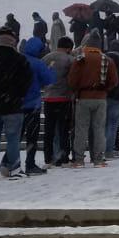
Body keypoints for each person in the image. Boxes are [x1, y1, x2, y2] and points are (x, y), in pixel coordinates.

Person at [0, 33, 33, 180]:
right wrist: (19, 94)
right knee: (13, 138)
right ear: (12, 44)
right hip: (13, 105)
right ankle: (14, 168)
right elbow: (27, 80)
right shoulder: (20, 59)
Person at [68, 31, 118, 168]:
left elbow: (72, 80)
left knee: (81, 129)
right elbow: (114, 81)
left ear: (88, 44)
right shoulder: (107, 59)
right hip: (101, 98)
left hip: (83, 97)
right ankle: (98, 159)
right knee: (99, 129)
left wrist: (78, 88)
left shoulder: (80, 58)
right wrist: (104, 88)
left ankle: (78, 160)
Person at [21, 37, 56, 174]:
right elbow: (49, 80)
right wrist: (51, 69)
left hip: (17, 103)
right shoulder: (38, 63)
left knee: (17, 135)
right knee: (32, 136)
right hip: (33, 104)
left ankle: (8, 162)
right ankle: (30, 164)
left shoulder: (20, 60)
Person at [42, 37, 74, 166]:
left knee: (49, 130)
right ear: (68, 48)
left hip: (49, 97)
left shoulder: (46, 58)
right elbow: (73, 78)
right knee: (63, 129)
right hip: (63, 98)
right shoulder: (69, 59)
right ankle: (64, 157)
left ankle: (48, 158)